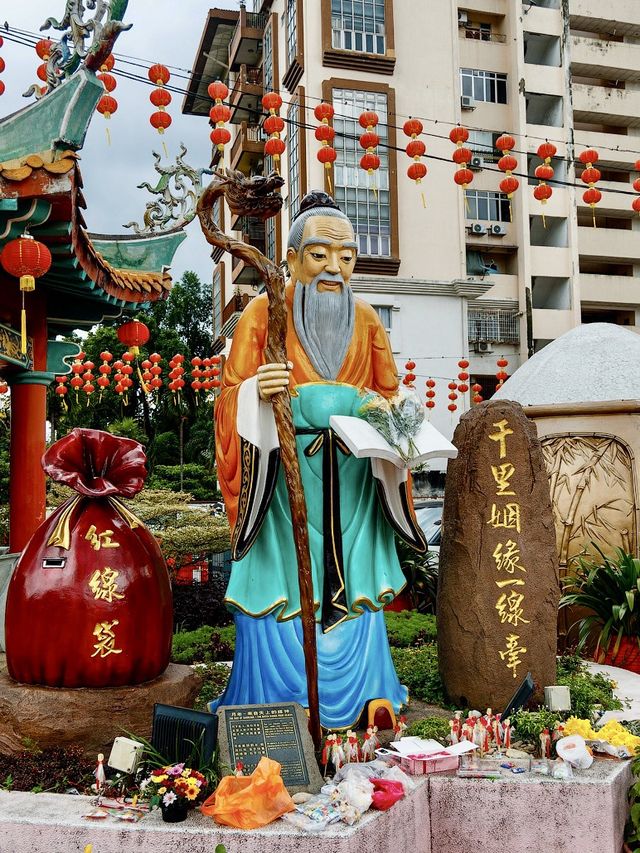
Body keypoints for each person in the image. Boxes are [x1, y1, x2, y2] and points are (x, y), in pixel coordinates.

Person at [211, 192, 428, 729]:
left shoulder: (368, 319)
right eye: (319, 254)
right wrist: (257, 392)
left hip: (353, 480)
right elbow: (228, 393)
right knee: (280, 586)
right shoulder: (263, 313)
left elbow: (390, 392)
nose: (334, 268)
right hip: (282, 482)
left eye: (347, 257)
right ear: (290, 259)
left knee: (353, 584)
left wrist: (387, 411)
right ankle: (272, 703)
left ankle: (367, 695)